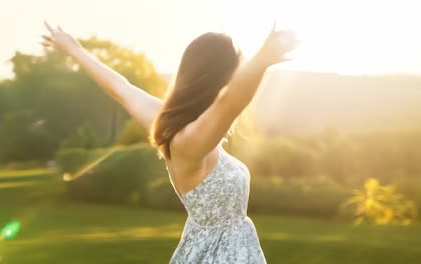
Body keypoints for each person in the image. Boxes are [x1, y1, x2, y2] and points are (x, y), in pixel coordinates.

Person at [41, 19, 296, 263]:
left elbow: (121, 88)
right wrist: (261, 61)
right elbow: (230, 103)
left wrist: (73, 48)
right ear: (220, 77)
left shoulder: (172, 124)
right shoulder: (189, 141)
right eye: (237, 70)